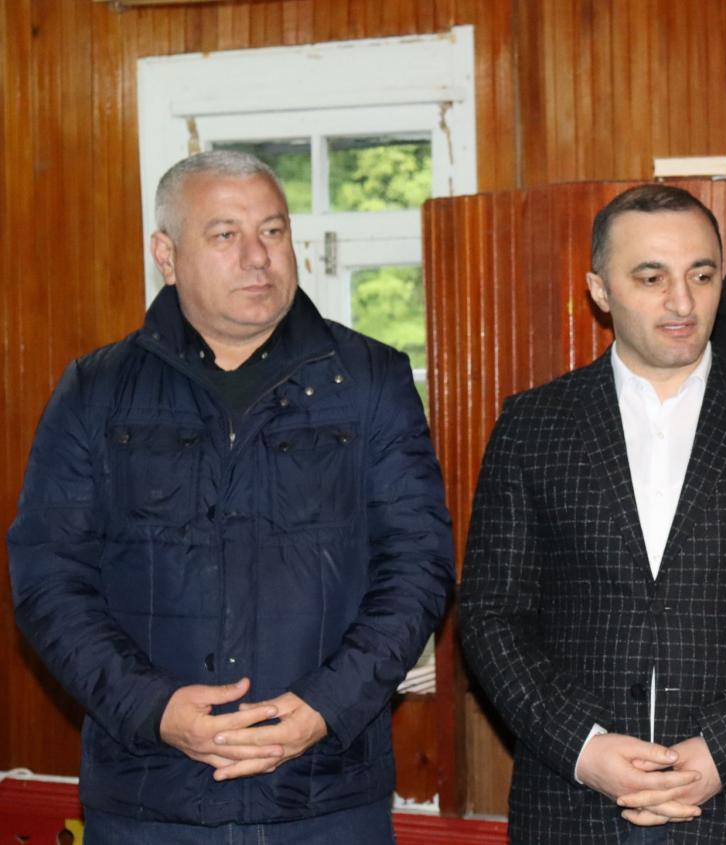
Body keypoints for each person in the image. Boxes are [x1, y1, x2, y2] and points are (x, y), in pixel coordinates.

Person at [8, 150, 454, 844]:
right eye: (225, 234)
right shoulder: (96, 392)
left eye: (273, 231)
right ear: (166, 255)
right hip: (151, 800)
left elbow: (419, 566)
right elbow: (48, 578)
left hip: (326, 797)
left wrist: (322, 708)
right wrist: (155, 709)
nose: (257, 257)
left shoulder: (370, 381)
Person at [458, 184, 726, 844]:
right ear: (600, 289)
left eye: (701, 275)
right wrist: (582, 747)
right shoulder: (533, 424)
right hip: (570, 805)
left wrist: (724, 751)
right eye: (652, 278)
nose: (682, 302)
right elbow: (490, 611)